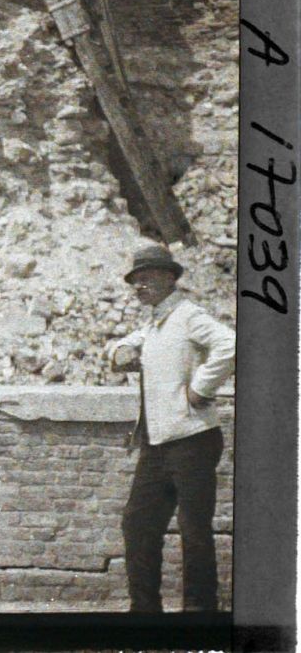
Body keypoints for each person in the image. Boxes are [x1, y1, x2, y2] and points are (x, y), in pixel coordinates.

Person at [109, 241, 235, 614]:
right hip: (157, 443)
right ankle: (145, 611)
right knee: (137, 523)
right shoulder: (155, 322)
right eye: (135, 280)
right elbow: (125, 346)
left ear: (169, 278)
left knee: (194, 530)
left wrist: (200, 388)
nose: (139, 286)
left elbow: (230, 344)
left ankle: (199, 612)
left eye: (146, 278)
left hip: (193, 440)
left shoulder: (188, 314)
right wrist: (118, 353)